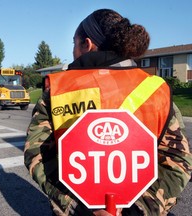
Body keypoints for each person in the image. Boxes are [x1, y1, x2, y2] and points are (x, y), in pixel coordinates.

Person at [24, 8, 192, 216]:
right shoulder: (157, 90)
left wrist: (78, 207)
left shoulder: (57, 89)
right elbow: (178, 160)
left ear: (87, 44)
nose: (73, 51)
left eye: (74, 44)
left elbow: (37, 153)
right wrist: (139, 210)